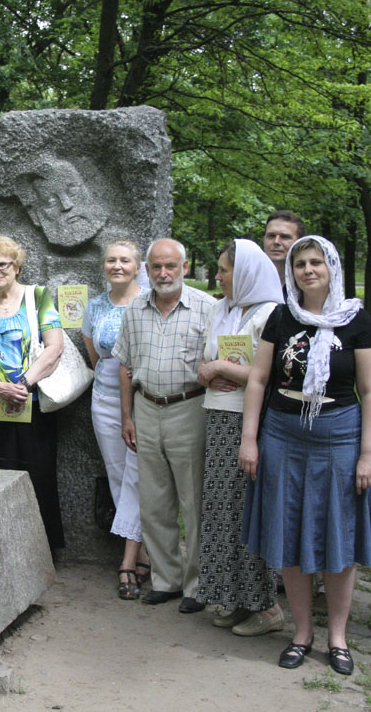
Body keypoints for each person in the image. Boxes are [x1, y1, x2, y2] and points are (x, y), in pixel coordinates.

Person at [239, 235, 371, 676]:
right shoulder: (282, 317)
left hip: (339, 435)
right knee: (288, 533)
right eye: (300, 264)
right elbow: (257, 380)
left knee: (338, 537)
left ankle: (337, 637)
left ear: (332, 268)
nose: (308, 270)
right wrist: (250, 440)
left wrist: (368, 454)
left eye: (316, 263)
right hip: (282, 435)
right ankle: (301, 633)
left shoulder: (356, 320)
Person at [113, 239, 215, 613]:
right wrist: (127, 416)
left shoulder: (207, 308)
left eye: (170, 266)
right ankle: (166, 579)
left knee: (193, 500)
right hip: (146, 408)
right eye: (156, 267)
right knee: (154, 503)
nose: (163, 273)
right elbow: (125, 368)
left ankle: (197, 585)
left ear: (184, 268)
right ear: (148, 270)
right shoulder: (135, 309)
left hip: (189, 408)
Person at [194, 239, 284, 632]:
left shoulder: (271, 315)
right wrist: (208, 369)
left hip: (249, 422)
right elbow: (206, 358)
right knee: (219, 511)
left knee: (245, 509)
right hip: (216, 416)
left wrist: (222, 369)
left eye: (224, 270)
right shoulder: (221, 308)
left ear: (245, 273)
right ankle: (232, 597)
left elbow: (274, 375)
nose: (217, 276)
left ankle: (266, 607)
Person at [0, 234, 65, 548]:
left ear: (16, 266)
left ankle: (42, 548)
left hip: (31, 402)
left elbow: (55, 346)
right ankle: (0, 547)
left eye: (2, 264)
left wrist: (24, 384)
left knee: (39, 476)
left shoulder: (39, 297)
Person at [83, 240, 151, 599]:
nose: (117, 266)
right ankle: (141, 555)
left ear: (138, 266)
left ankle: (128, 560)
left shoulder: (148, 302)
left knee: (138, 476)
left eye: (125, 260)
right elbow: (96, 352)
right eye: (111, 260)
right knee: (117, 474)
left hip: (144, 402)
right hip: (105, 399)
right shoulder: (95, 305)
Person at [262, 210, 306, 280]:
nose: (276, 242)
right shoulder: (248, 277)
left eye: (285, 237)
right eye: (271, 236)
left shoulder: (308, 279)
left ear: (299, 242)